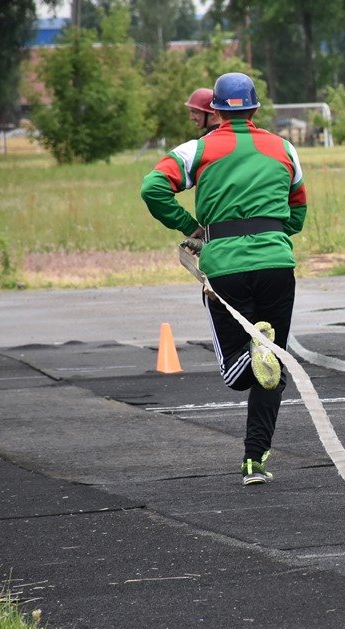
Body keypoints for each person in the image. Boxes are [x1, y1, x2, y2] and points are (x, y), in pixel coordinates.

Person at [141, 72, 307, 485]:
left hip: (225, 269)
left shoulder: (196, 150)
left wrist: (190, 226)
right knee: (273, 363)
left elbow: (153, 187)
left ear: (214, 109)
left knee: (239, 374)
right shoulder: (284, 147)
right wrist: (270, 236)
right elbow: (298, 210)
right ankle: (255, 461)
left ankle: (254, 358)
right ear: (255, 108)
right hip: (276, 267)